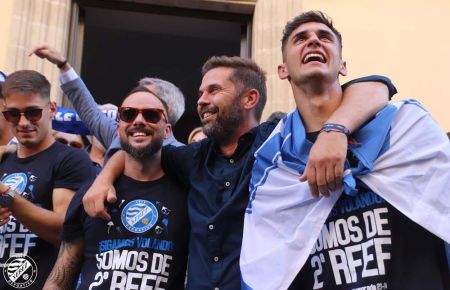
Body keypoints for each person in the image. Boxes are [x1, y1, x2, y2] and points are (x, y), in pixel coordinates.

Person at [82, 53, 396, 289]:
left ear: (249, 98)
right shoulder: (190, 158)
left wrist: (335, 131)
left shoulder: (281, 142)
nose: (201, 101)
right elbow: (141, 151)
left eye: (213, 91)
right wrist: (104, 178)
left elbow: (377, 88)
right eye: (201, 92)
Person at [240, 11, 450, 290]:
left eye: (324, 37)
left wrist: (335, 130)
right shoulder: (274, 166)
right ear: (283, 70)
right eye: (300, 39)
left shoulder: (406, 125)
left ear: (343, 65)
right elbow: (263, 266)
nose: (313, 41)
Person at [43, 86, 189, 290]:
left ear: (167, 130)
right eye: (129, 114)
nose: (139, 120)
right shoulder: (91, 193)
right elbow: (61, 276)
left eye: (151, 115)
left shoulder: (189, 192)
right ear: (118, 127)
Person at [0, 70, 94, 289]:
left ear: (51, 109)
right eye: (13, 114)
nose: (23, 122)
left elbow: (66, 233)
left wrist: (9, 198)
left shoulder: (71, 159)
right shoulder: (4, 159)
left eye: (32, 112)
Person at [30, 45, 186, 165]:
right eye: (131, 111)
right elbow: (90, 112)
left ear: (166, 112)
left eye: (147, 107)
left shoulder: (185, 157)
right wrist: (63, 64)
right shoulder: (117, 136)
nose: (137, 119)